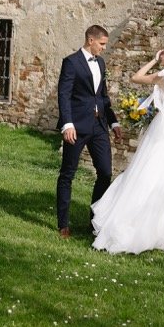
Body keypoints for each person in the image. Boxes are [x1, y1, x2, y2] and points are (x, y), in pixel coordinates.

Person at [91, 42, 164, 254]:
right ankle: (156, 232)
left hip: (162, 133)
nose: (161, 54)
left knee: (144, 174)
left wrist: (153, 60)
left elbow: (136, 77)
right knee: (163, 181)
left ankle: (128, 229)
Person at [56, 24, 122, 238]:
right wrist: (67, 124)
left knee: (105, 172)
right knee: (68, 173)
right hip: (76, 127)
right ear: (90, 40)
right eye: (102, 44)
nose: (104, 48)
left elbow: (102, 96)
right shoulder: (71, 62)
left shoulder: (101, 63)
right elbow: (64, 95)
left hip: (99, 126)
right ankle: (63, 223)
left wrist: (114, 123)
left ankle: (96, 221)